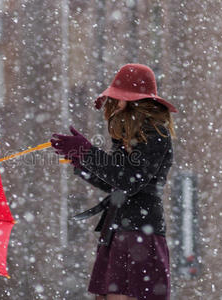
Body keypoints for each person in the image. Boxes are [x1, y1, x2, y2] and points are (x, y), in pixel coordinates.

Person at [50, 63, 178, 300]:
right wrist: (82, 163)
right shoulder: (126, 135)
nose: (115, 104)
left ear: (135, 101)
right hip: (120, 229)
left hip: (140, 230)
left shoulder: (156, 134)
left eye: (120, 98)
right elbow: (115, 183)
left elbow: (130, 181)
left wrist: (88, 153)